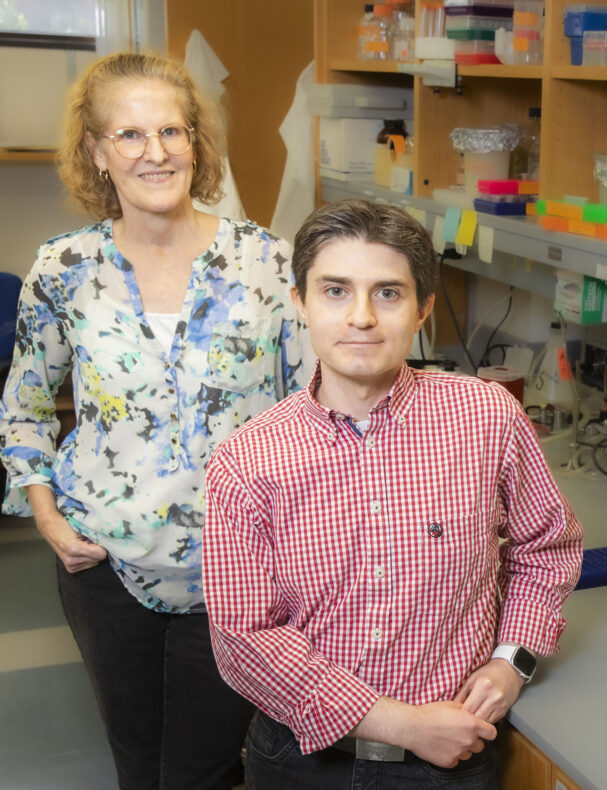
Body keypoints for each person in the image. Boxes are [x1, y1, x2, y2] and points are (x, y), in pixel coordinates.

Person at [0, 51, 309, 790]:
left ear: (196, 143)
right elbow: (26, 402)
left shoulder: (266, 263)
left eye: (171, 130)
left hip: (239, 564)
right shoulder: (63, 268)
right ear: (96, 152)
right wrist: (45, 514)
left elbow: (314, 406)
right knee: (138, 766)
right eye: (130, 135)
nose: (156, 151)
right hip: (102, 561)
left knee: (204, 769)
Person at [201, 199, 583, 789]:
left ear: (423, 308)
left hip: (449, 761)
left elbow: (546, 549)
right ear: (299, 302)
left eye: (388, 292)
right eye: (334, 291)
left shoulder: (486, 418)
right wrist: (400, 723)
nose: (361, 317)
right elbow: (243, 637)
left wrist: (513, 663)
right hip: (302, 764)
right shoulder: (247, 461)